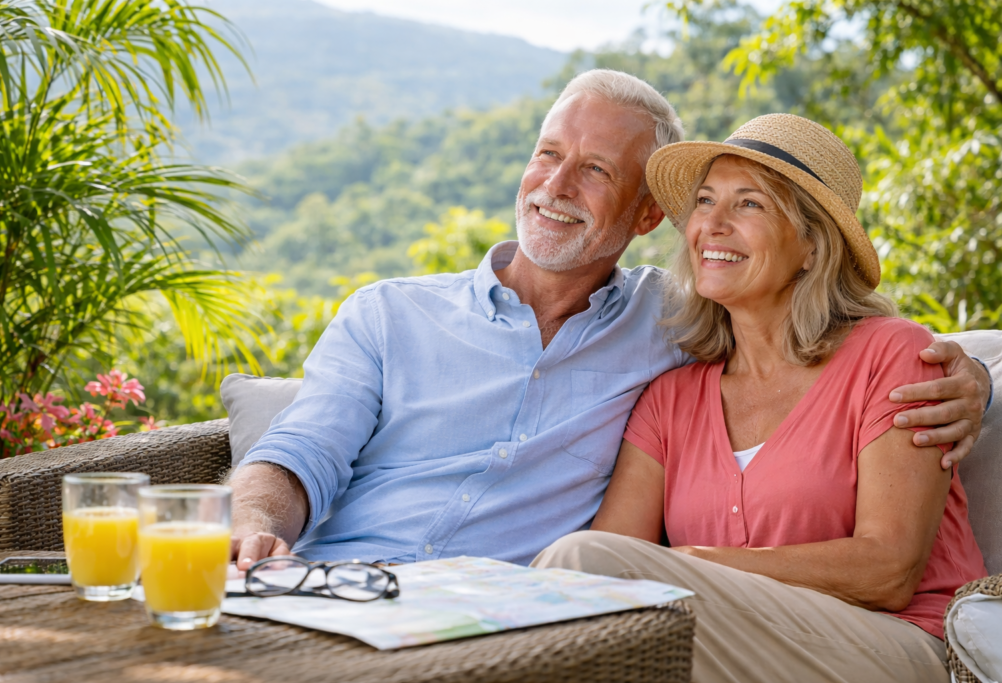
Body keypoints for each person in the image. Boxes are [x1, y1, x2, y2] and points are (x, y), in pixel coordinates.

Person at [228, 70, 993, 572]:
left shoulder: (674, 321)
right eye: (546, 155)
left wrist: (975, 377)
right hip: (336, 587)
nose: (555, 185)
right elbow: (301, 451)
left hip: (506, 623)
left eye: (594, 170)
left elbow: (842, 350)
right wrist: (255, 522)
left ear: (647, 212)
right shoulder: (388, 312)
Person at [532, 113, 988, 682]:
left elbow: (888, 570)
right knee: (577, 582)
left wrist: (693, 566)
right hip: (731, 648)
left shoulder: (892, 356)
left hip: (901, 649)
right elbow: (609, 556)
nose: (713, 224)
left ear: (813, 246)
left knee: (579, 565)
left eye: (749, 204)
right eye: (705, 201)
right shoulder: (670, 399)